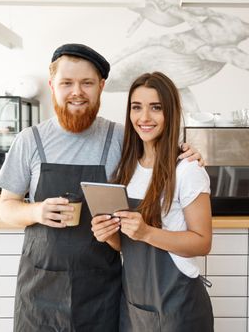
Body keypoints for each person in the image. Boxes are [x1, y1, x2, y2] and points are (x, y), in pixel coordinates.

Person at [0, 44, 202, 332]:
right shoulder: (29, 141)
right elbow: (6, 208)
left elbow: (157, 147)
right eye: (67, 83)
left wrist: (186, 151)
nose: (76, 92)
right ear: (53, 85)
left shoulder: (120, 138)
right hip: (40, 290)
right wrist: (37, 211)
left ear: (101, 87)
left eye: (87, 83)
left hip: (101, 291)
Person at [92, 71, 214, 331]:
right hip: (135, 307)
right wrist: (109, 235)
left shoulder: (187, 169)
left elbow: (202, 243)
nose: (144, 117)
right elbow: (127, 245)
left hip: (178, 309)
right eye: (137, 108)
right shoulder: (126, 170)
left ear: (170, 112)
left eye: (155, 108)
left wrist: (146, 232)